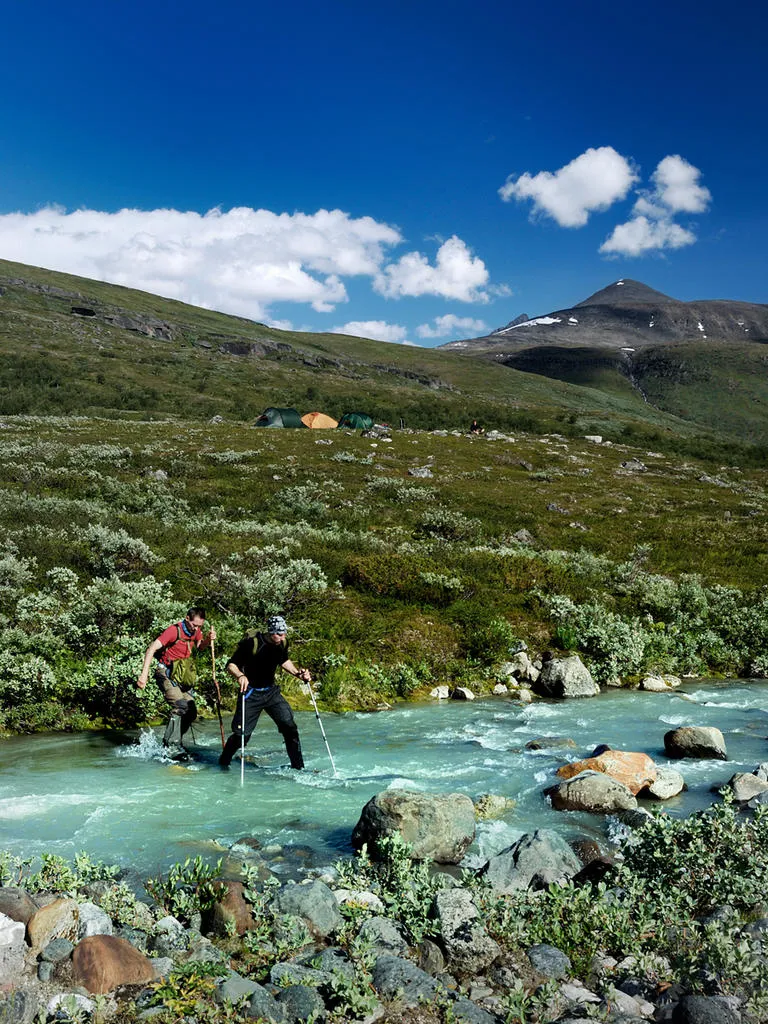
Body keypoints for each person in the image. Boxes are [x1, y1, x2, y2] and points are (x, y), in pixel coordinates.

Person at [218, 615, 310, 770]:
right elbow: (231, 665)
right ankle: (223, 762)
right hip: (250, 693)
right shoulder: (252, 644)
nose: (282, 637)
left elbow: (284, 660)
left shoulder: (282, 643)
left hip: (271, 693)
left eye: (284, 633)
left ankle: (299, 768)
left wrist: (298, 674)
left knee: (289, 727)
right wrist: (240, 676)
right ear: (271, 632)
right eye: (279, 634)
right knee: (242, 736)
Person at [136, 607, 216, 750]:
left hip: (181, 675)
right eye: (194, 625)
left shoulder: (196, 631)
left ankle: (173, 741)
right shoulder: (173, 631)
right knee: (180, 705)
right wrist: (144, 675)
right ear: (187, 619)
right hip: (165, 673)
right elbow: (151, 649)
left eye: (199, 626)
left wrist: (208, 640)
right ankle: (171, 746)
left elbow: (200, 646)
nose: (196, 628)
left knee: (191, 712)